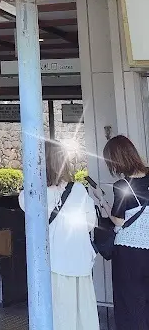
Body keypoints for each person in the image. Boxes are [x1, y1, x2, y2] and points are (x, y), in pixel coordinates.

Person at [18, 139, 98, 330]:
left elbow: (29, 214)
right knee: (83, 317)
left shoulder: (31, 194)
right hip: (80, 263)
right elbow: (90, 224)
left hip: (53, 264)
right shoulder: (78, 190)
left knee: (57, 317)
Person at [103, 135, 149, 330]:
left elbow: (119, 221)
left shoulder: (122, 186)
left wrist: (103, 204)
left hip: (129, 253)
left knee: (129, 302)